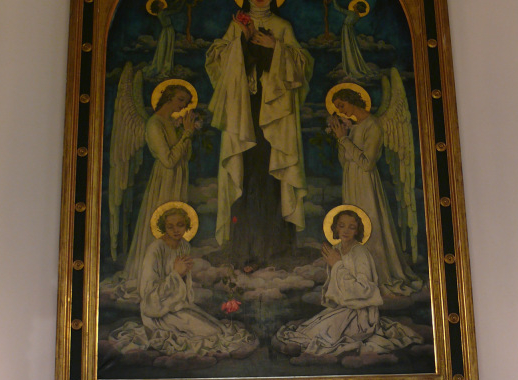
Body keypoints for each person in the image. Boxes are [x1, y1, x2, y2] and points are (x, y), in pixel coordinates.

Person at [206, 0, 313, 267]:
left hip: (275, 117)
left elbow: (302, 67)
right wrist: (241, 39)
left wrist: (276, 48)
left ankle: (276, 250)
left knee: (272, 177)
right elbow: (216, 62)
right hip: (245, 113)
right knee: (246, 176)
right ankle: (244, 250)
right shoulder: (236, 25)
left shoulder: (282, 26)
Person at [111, 203, 258, 362]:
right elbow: (148, 296)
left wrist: (181, 279)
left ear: (187, 225)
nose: (176, 230)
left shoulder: (184, 246)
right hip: (158, 311)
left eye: (180, 225)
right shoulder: (155, 249)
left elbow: (183, 287)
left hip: (178, 305)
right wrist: (176, 274)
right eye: (170, 226)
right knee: (210, 334)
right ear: (163, 227)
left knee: (219, 329)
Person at [274, 208, 421, 360]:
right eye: (342, 225)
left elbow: (364, 290)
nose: (346, 231)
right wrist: (335, 267)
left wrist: (337, 265)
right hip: (343, 308)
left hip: (361, 313)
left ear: (357, 231)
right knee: (310, 329)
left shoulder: (360, 253)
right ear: (335, 227)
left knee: (322, 336)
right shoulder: (336, 249)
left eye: (352, 227)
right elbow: (334, 285)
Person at [328, 89, 421, 295]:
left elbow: (367, 163)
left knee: (370, 222)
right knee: (353, 221)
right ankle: (357, 274)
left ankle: (377, 274)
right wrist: (341, 137)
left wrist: (344, 140)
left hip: (365, 183)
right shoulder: (353, 127)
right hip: (351, 180)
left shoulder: (373, 125)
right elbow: (345, 161)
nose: (341, 110)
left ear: (352, 101)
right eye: (338, 108)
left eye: (342, 105)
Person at [123, 85, 197, 284]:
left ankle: (174, 274)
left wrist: (185, 132)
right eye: (181, 99)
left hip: (178, 177)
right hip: (165, 179)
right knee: (165, 222)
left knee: (177, 223)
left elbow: (186, 156)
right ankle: (155, 277)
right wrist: (186, 134)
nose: (183, 106)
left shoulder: (171, 123)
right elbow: (168, 160)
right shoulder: (154, 124)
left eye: (186, 102)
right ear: (169, 97)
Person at [330, 0, 378, 81]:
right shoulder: (357, 16)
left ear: (357, 7)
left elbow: (338, 8)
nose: (354, 5)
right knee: (351, 48)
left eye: (356, 5)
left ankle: (351, 67)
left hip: (346, 30)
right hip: (350, 31)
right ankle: (352, 65)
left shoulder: (352, 13)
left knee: (348, 47)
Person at [143, 0, 186, 78]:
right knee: (167, 48)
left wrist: (178, 0)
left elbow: (170, 7)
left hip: (166, 31)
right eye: (160, 3)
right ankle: (166, 68)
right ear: (158, 6)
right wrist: (182, 1)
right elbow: (176, 10)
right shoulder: (163, 13)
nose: (162, 3)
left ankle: (164, 66)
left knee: (166, 48)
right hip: (168, 31)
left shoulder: (161, 12)